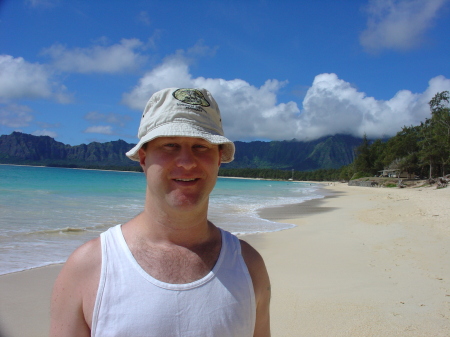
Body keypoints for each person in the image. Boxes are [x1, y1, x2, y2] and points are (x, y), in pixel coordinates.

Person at [50, 88, 271, 336]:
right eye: (170, 145)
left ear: (219, 159)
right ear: (143, 157)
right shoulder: (89, 267)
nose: (186, 162)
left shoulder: (248, 265)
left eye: (201, 146)